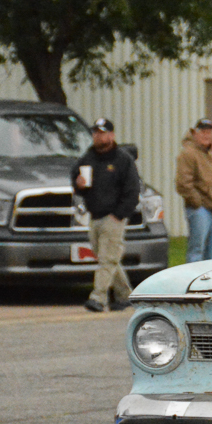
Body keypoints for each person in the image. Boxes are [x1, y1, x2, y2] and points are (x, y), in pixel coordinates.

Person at [72, 118, 142, 311]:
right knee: (107, 258)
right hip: (94, 217)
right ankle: (124, 295)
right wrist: (78, 184)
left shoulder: (123, 160)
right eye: (96, 132)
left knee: (106, 259)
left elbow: (133, 190)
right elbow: (78, 184)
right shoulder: (87, 159)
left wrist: (119, 214)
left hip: (114, 217)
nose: (99, 136)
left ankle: (98, 297)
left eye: (103, 132)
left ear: (112, 135)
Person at [175, 117, 212, 262]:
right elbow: (183, 183)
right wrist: (197, 202)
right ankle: (192, 282)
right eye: (203, 131)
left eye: (209, 132)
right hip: (200, 209)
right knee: (197, 249)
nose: (206, 135)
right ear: (194, 133)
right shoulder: (188, 153)